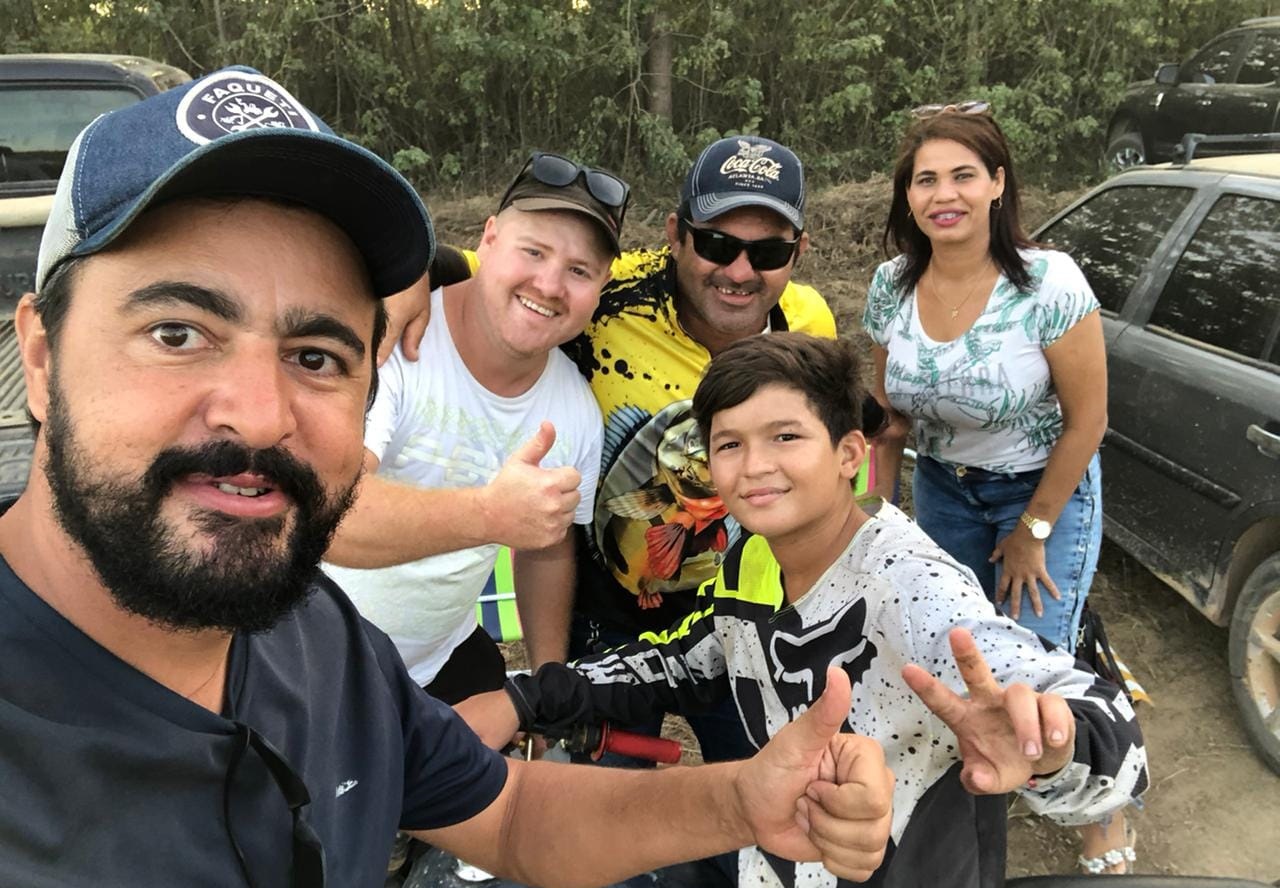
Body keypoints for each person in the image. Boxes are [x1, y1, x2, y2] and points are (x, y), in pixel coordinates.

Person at [0, 65, 897, 887]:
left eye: (315, 354)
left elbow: (509, 817)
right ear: (39, 354)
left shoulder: (323, 647)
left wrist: (740, 801)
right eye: (177, 333)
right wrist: (481, 489)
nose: (259, 412)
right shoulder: (443, 344)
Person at [456, 332, 1148, 888]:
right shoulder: (753, 558)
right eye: (729, 444)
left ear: (849, 453)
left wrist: (1053, 749)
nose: (753, 466)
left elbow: (1105, 733)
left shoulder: (911, 583)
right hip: (776, 860)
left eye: (785, 437)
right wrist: (525, 696)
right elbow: (688, 656)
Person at [862, 103, 1128, 872]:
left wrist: (1033, 530)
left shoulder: (1048, 283)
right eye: (925, 179)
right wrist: (877, 515)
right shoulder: (892, 285)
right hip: (945, 487)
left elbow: (1088, 420)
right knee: (958, 644)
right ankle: (974, 781)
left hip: (1043, 490)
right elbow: (888, 422)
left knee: (1040, 656)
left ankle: (1101, 799)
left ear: (996, 185)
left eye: (963, 175)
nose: (944, 193)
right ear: (909, 197)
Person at [323, 154, 625, 705]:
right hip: (306, 656)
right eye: (533, 252)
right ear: (488, 239)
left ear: (601, 287)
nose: (550, 284)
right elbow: (327, 517)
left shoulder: (575, 407)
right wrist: (490, 514)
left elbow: (546, 549)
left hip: (438, 658)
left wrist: (548, 676)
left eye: (579, 271)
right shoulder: (393, 342)